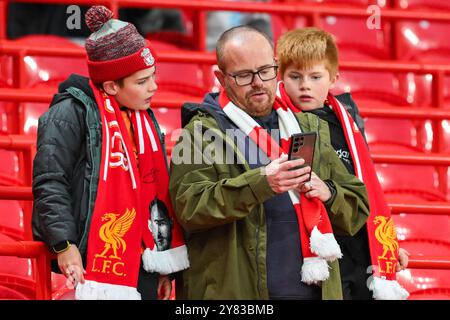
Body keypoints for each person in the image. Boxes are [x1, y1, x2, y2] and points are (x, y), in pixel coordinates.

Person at [169, 25, 370, 300]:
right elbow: (189, 207)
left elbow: (357, 207)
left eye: (265, 70)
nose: (258, 83)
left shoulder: (308, 125)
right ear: (220, 77)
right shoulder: (200, 134)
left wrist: (330, 193)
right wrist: (260, 184)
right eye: (243, 75)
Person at [32, 5, 189, 300]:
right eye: (142, 82)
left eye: (153, 76)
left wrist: (163, 265)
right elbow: (50, 181)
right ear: (111, 85)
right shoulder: (68, 113)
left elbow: (151, 187)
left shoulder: (140, 114)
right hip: (94, 259)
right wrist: (64, 245)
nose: (153, 88)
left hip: (144, 260)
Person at [276, 27, 410, 300]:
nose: (305, 85)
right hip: (314, 252)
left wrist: (386, 242)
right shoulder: (276, 123)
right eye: (295, 76)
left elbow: (368, 184)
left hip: (358, 246)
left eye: (315, 77)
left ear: (333, 78)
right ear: (281, 77)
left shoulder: (347, 120)